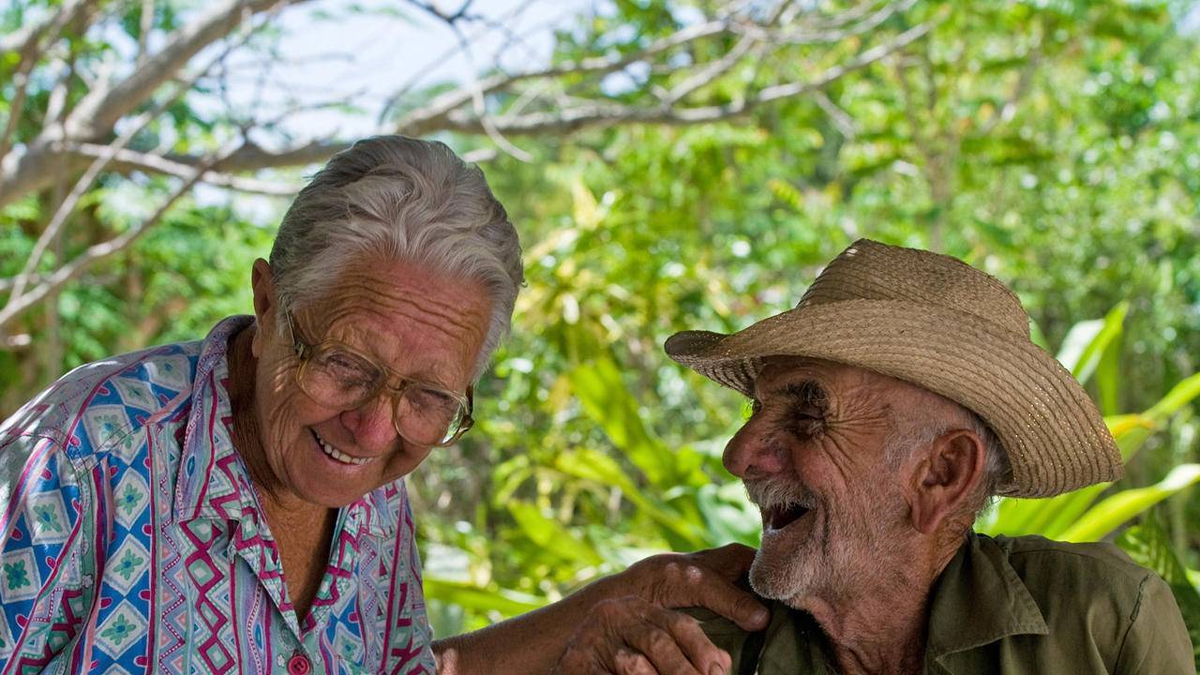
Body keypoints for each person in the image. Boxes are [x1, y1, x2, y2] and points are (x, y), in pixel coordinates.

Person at [0, 136, 766, 674]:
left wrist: (618, 599)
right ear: (268, 305)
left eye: (430, 396)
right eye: (342, 363)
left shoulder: (369, 489)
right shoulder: (86, 453)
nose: (372, 428)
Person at [642, 238, 1193, 673]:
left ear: (942, 474)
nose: (738, 455)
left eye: (808, 417)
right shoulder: (694, 645)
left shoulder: (1101, 624)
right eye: (753, 412)